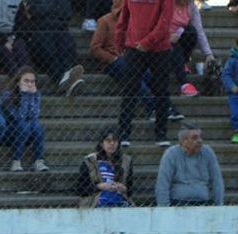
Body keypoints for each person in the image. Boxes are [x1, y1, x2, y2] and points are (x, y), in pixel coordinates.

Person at [90, 0, 184, 122]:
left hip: (132, 57)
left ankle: (169, 108)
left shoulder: (135, 23)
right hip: (112, 62)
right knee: (137, 81)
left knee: (151, 77)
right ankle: (153, 108)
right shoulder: (104, 21)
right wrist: (113, 58)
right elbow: (95, 48)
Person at [115, 0, 173, 148]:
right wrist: (119, 40)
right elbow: (124, 16)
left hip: (159, 49)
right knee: (129, 91)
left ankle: (161, 133)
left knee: (161, 91)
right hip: (134, 48)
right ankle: (124, 133)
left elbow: (165, 21)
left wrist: (147, 42)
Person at [13, 0, 85, 96]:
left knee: (67, 42)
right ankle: (66, 79)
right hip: (37, 36)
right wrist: (53, 10)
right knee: (46, 44)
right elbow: (33, 11)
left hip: (58, 31)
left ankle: (67, 79)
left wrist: (43, 13)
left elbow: (66, 14)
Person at [155, 124, 224, 206]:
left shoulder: (208, 152)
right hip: (178, 203)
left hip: (204, 203)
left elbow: (217, 181)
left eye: (200, 137)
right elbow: (162, 184)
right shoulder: (171, 154)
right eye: (195, 138)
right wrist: (164, 210)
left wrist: (219, 206)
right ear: (183, 141)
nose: (200, 141)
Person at [2, 66, 48, 172]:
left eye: (32, 81)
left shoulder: (36, 94)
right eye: (26, 81)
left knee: (37, 125)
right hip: (10, 133)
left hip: (29, 131)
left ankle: (39, 161)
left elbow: (34, 116)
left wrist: (32, 95)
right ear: (18, 82)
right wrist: (24, 95)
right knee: (25, 125)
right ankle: (16, 161)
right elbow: (19, 117)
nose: (30, 84)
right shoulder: (8, 95)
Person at [76, 126, 134, 207]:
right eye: (108, 140)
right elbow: (81, 189)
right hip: (96, 200)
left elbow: (130, 188)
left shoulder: (126, 161)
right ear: (101, 143)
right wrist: (99, 187)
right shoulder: (90, 161)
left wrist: (124, 188)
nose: (112, 143)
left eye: (115, 140)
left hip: (119, 198)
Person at [169, 0, 214, 98]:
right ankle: (184, 84)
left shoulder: (191, 6)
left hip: (180, 37)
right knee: (174, 46)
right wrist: (167, 36)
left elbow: (199, 30)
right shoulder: (166, 3)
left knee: (191, 32)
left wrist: (208, 54)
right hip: (164, 39)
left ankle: (183, 63)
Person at [223, 39, 238, 144]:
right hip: (235, 93)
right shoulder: (232, 60)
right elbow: (225, 75)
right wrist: (232, 86)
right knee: (236, 113)